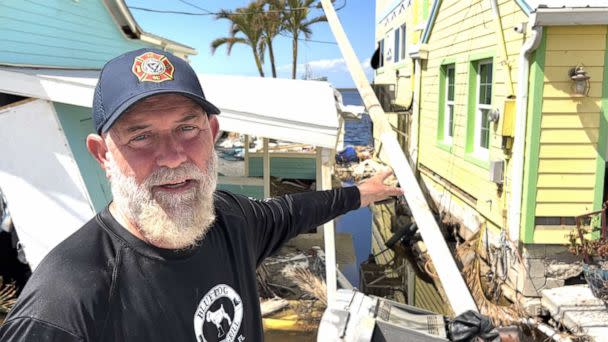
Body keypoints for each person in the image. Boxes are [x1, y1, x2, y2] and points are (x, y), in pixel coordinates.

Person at [0, 48, 402, 342]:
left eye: (187, 129)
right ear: (103, 154)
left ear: (211, 134)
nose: (173, 157)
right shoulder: (65, 301)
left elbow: (295, 209)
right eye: (141, 136)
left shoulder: (229, 220)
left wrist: (362, 192)